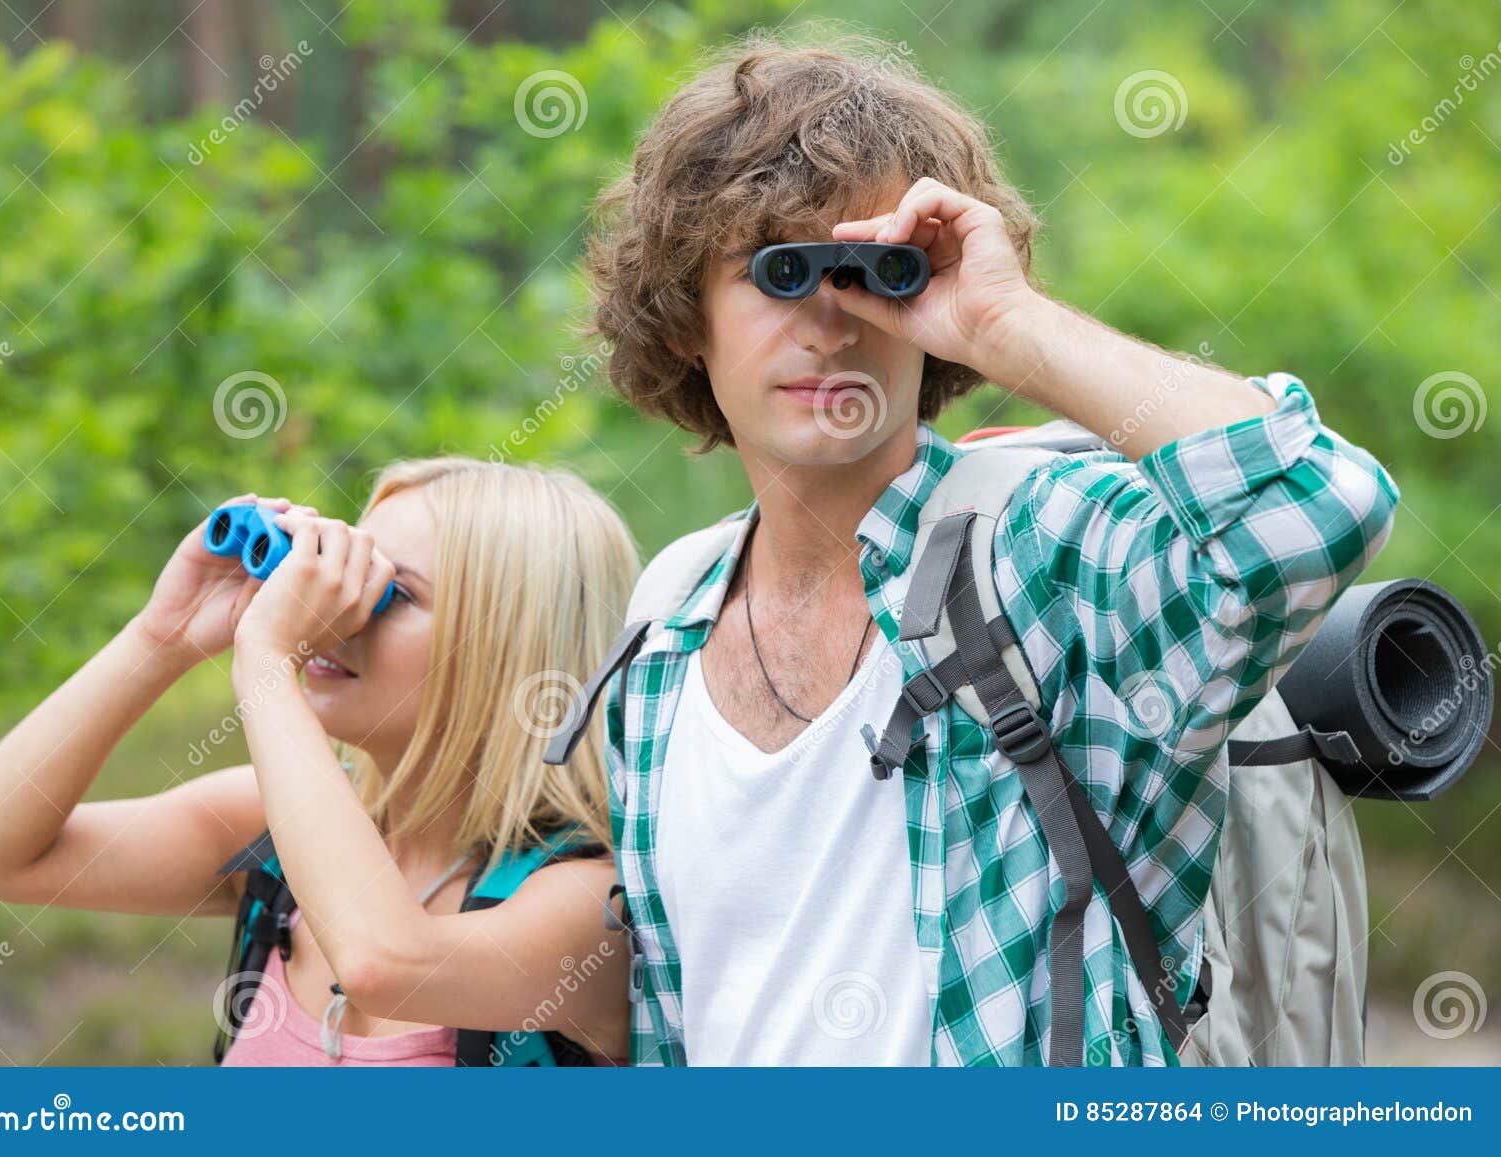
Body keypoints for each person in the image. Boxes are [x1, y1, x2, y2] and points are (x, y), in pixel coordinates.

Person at [578, 33, 1400, 1066]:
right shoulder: (669, 608)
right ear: (686, 312)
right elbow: (670, 1013)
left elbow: (1313, 506)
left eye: (878, 272)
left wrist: (1006, 320)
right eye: (779, 271)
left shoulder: (1038, 549)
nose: (830, 321)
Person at [0, 457, 640, 1066]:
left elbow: (383, 963)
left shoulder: (587, 905)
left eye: (391, 593)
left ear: (514, 650)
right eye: (340, 570)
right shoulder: (269, 828)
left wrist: (267, 661)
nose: (338, 612)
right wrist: (162, 636)